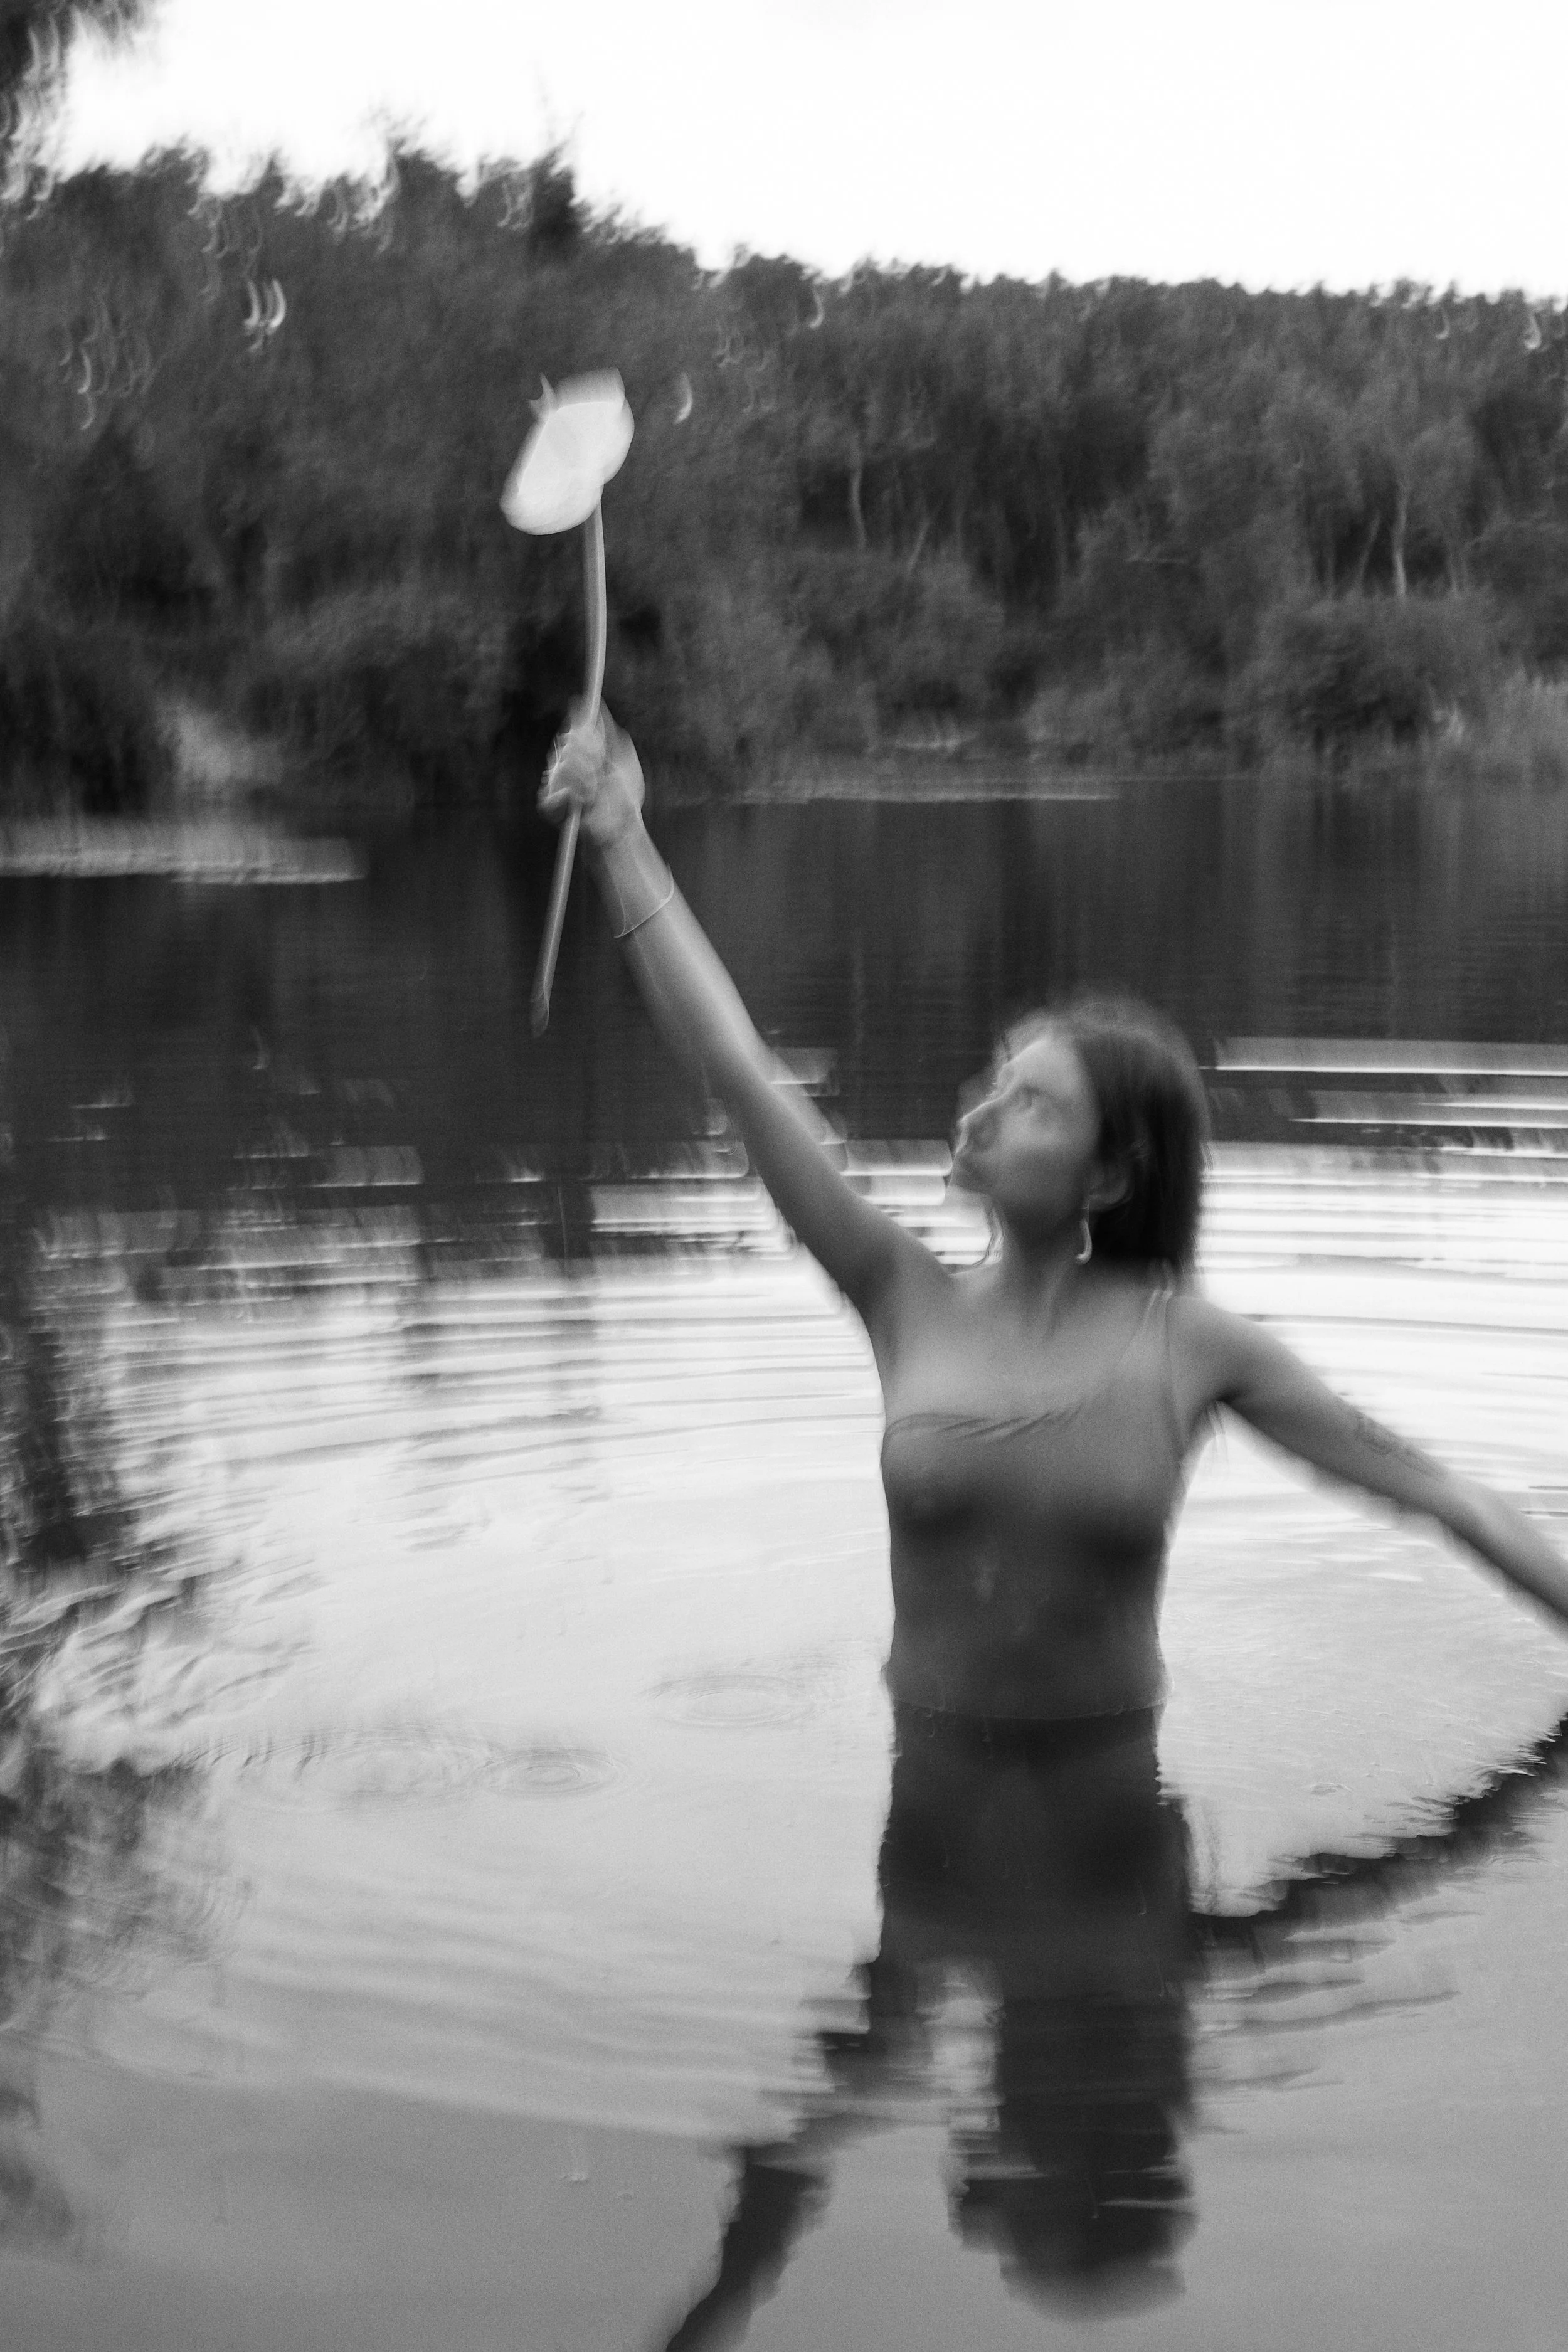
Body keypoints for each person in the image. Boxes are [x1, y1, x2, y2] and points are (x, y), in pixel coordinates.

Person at [539, 708, 1568, 2331]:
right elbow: (737, 1070)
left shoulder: (1190, 1346)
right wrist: (623, 837)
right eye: (991, 1086)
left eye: (1025, 1102)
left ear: (1106, 1175)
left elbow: (1443, 1492)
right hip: (933, 1776)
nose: (975, 1112)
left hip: (1106, 1802)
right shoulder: (897, 1290)